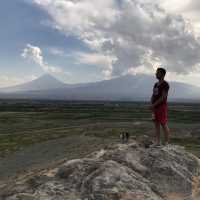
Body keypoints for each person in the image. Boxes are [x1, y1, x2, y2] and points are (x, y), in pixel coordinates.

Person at [150, 67, 170, 146]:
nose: (156, 74)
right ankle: (157, 142)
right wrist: (151, 104)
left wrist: (154, 105)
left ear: (162, 74)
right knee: (156, 124)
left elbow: (163, 97)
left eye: (157, 73)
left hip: (161, 107)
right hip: (155, 107)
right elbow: (153, 94)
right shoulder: (156, 84)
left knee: (163, 123)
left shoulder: (165, 84)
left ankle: (166, 142)